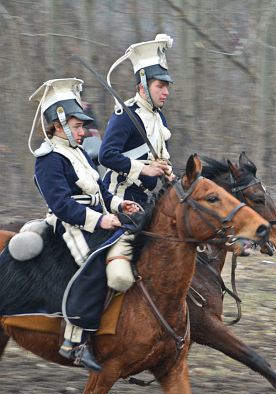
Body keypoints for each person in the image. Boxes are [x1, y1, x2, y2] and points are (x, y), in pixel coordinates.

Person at [29, 78, 139, 371]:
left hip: (95, 219)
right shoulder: (48, 158)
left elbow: (101, 192)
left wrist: (119, 205)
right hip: (68, 226)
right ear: (57, 125)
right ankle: (74, 342)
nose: (83, 132)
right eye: (77, 126)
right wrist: (101, 219)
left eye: (82, 126)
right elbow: (62, 205)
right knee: (95, 261)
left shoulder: (78, 152)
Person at [98, 34, 175, 292]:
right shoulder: (125, 116)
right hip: (118, 200)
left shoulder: (160, 119)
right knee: (120, 273)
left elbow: (162, 157)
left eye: (167, 86)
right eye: (159, 86)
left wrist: (168, 172)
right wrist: (143, 168)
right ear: (142, 85)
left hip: (146, 202)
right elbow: (106, 155)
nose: (165, 92)